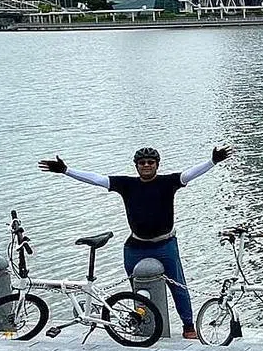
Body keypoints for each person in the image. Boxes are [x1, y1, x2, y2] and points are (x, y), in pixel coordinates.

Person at [38, 145, 232, 339]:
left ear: (157, 165)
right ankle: (142, 325)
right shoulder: (127, 184)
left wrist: (212, 161)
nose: (146, 165)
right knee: (137, 289)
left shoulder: (167, 182)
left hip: (165, 245)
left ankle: (188, 326)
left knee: (178, 286)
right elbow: (96, 179)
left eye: (150, 162)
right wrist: (66, 170)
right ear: (136, 166)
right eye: (142, 163)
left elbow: (189, 175)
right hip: (136, 246)